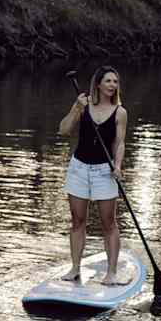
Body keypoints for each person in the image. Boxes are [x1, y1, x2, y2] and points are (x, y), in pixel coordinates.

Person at [58, 64, 127, 285]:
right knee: (78, 220)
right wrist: (76, 109)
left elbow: (119, 142)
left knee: (109, 223)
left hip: (104, 172)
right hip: (79, 168)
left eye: (115, 82)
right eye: (108, 81)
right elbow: (64, 130)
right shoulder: (84, 105)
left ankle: (112, 273)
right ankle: (75, 268)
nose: (112, 85)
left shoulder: (120, 112)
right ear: (98, 83)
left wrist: (117, 166)